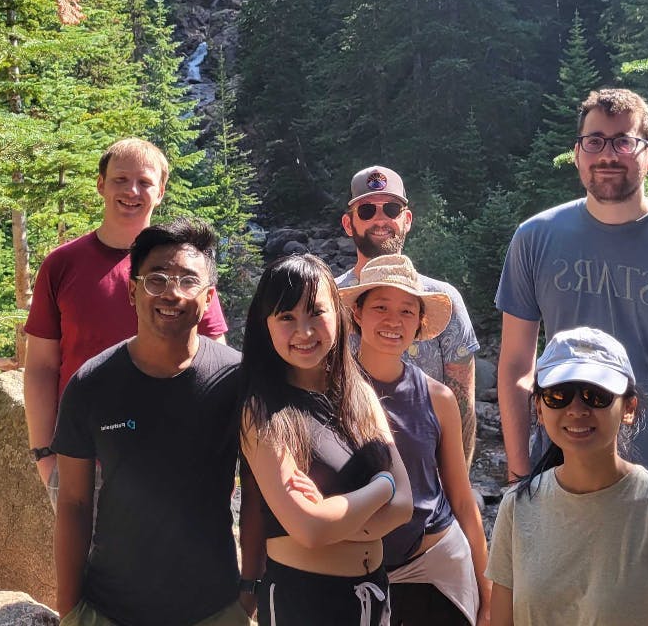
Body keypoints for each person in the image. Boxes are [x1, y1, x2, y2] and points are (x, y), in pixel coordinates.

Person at [495, 88, 648, 572]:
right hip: (560, 479)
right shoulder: (535, 239)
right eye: (595, 142)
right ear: (577, 154)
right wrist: (520, 473)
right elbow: (518, 365)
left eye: (623, 142)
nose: (607, 155)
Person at [52, 219, 255, 625]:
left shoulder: (238, 380)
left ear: (209, 296)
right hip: (108, 608)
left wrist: (248, 592)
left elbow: (256, 496)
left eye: (187, 281)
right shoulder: (91, 384)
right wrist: (69, 607)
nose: (171, 293)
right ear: (132, 290)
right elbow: (74, 502)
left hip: (214, 608)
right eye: (157, 278)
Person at [24, 138, 228, 506]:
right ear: (101, 184)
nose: (132, 191)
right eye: (120, 179)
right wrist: (44, 454)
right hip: (85, 463)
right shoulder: (61, 265)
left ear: (161, 192)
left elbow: (217, 361)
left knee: (180, 566)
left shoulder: (187, 267)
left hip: (179, 456)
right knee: (90, 565)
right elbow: (40, 366)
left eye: (145, 182)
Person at [487, 327, 648, 626]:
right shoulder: (518, 507)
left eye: (595, 395)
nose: (576, 409)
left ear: (628, 408)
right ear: (540, 408)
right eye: (559, 395)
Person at [239, 253, 413, 626]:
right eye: (286, 317)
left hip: (374, 594)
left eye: (316, 313)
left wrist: (336, 519)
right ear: (265, 326)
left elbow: (405, 505)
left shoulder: (359, 393)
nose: (304, 332)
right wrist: (381, 486)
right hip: (304, 601)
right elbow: (311, 529)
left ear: (338, 313)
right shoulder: (262, 412)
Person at [340, 254, 491, 626]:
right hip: (355, 570)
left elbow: (460, 496)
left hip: (436, 565)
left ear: (420, 322)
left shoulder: (438, 398)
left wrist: (490, 598)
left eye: (408, 311)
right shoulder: (334, 393)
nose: (394, 321)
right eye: (380, 307)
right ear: (357, 314)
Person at [337, 165, 480, 467]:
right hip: (350, 481)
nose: (380, 219)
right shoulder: (327, 299)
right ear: (348, 224)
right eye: (366, 211)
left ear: (407, 220)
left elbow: (463, 406)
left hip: (429, 485)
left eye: (391, 208)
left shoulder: (444, 300)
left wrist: (457, 484)